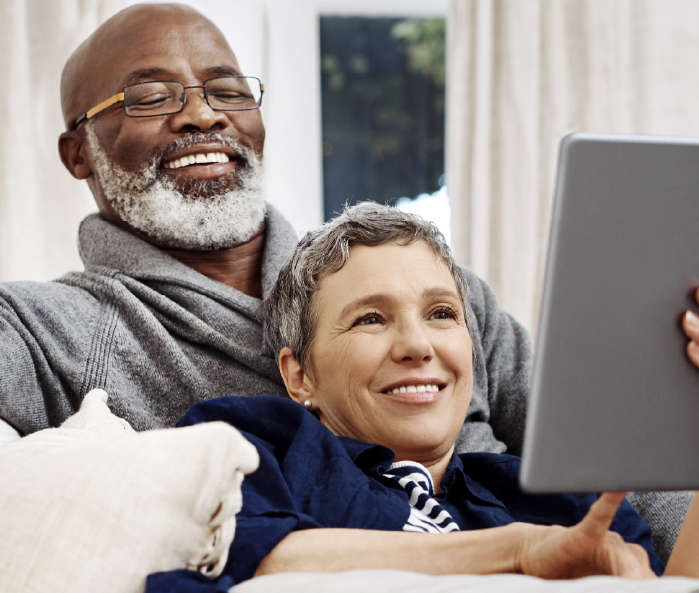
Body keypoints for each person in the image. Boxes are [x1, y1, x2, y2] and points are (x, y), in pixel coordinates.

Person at [0, 1, 695, 561]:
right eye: (151, 95)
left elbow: (610, 474)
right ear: (77, 153)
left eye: (227, 89)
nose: (202, 114)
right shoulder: (44, 329)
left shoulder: (431, 291)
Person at [150, 202, 696, 590]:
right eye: (370, 318)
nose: (417, 345)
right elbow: (251, 555)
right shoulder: (258, 444)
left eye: (441, 314)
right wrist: (519, 552)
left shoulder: (562, 503)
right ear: (300, 377)